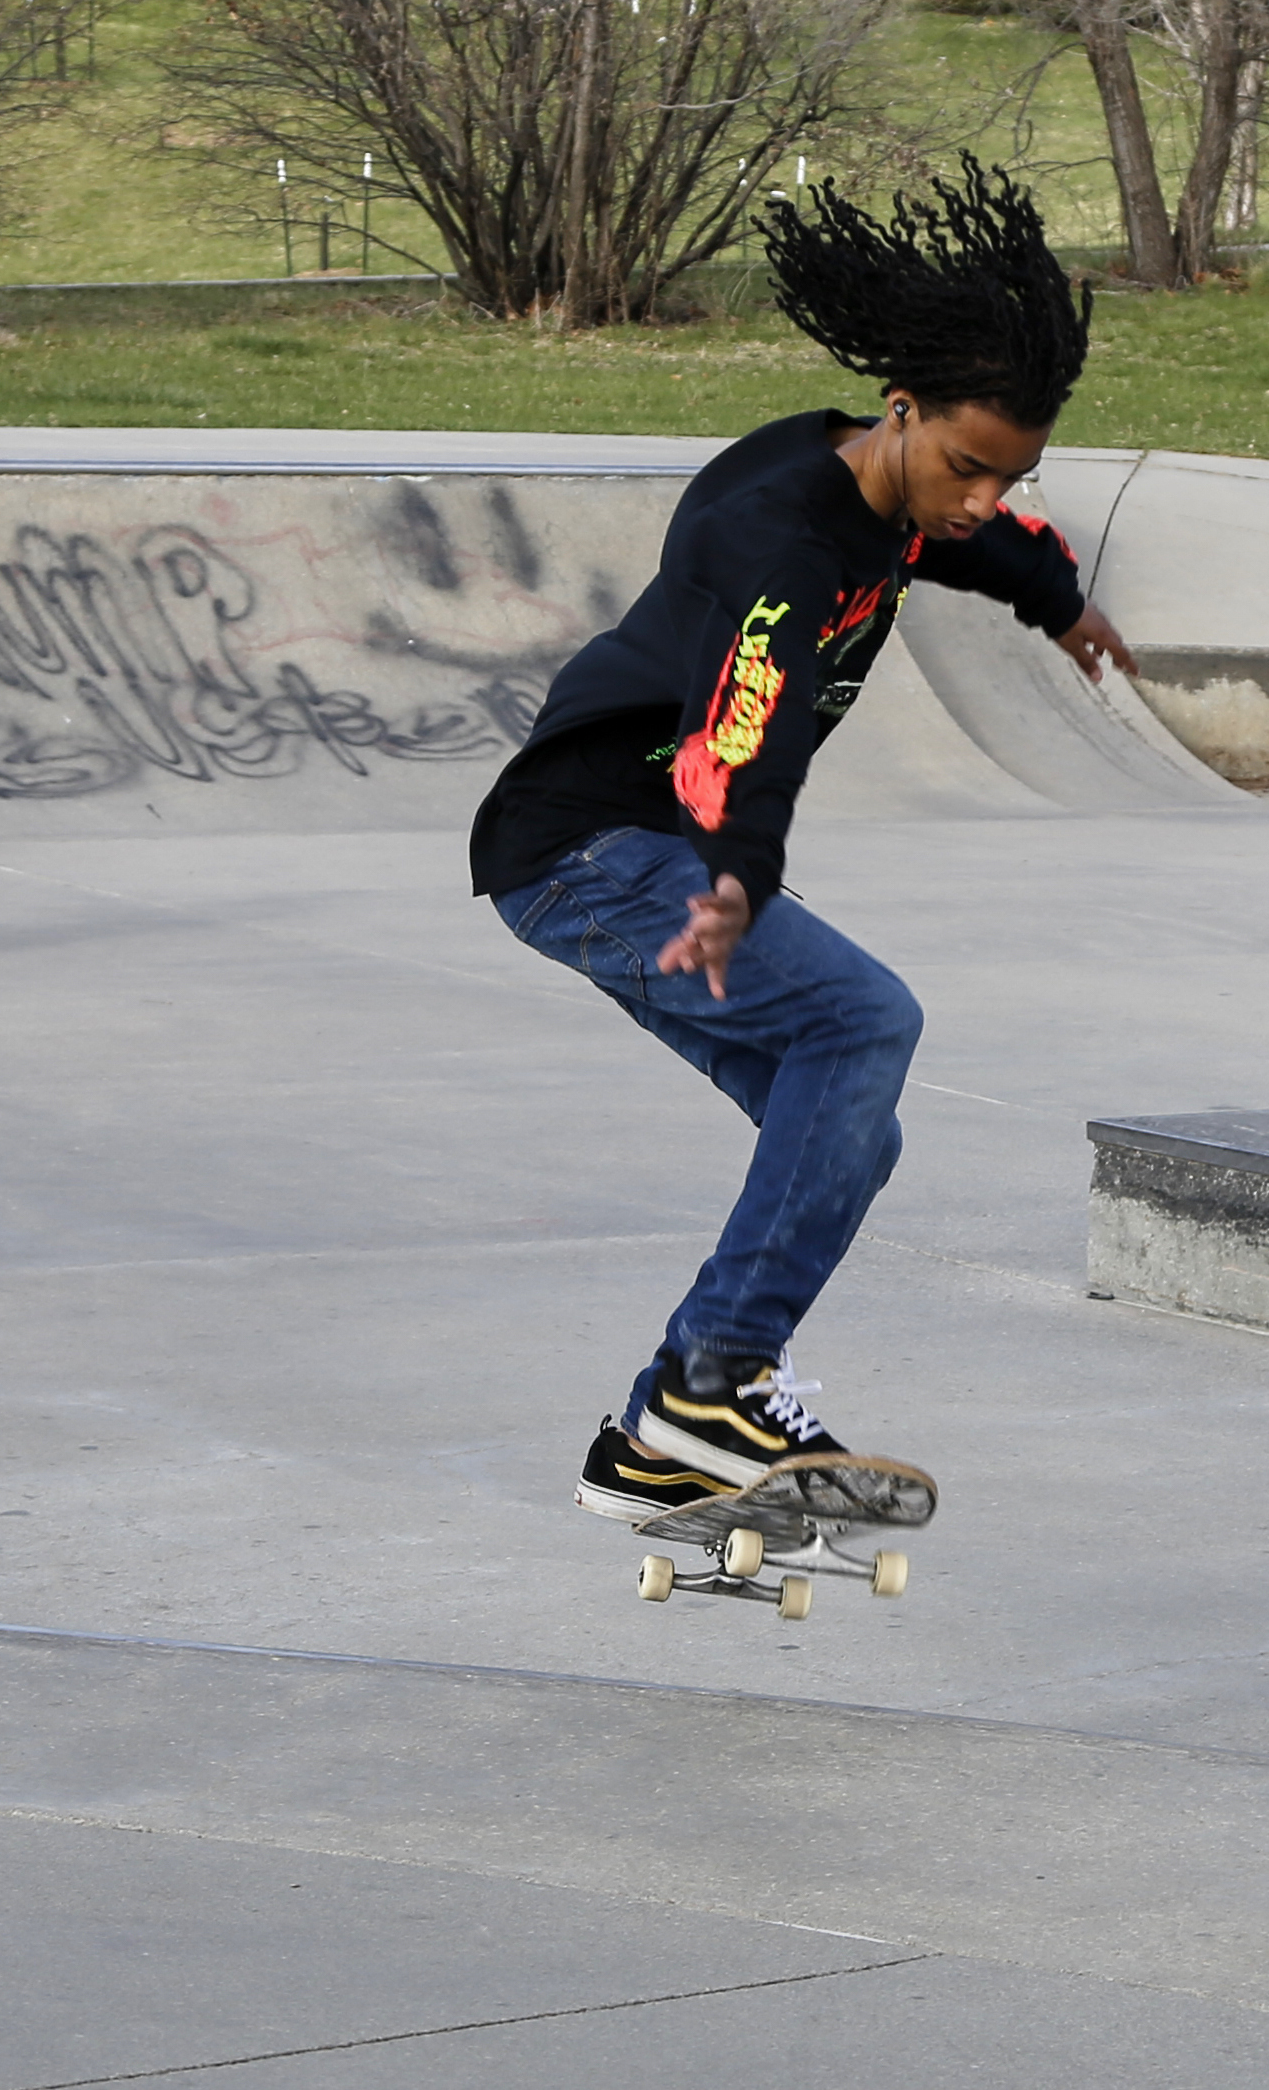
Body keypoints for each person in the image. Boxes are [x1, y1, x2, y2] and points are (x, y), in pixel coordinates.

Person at [470, 163, 1138, 1534]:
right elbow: (741, 733)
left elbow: (980, 541)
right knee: (864, 1016)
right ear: (903, 412)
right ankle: (714, 1383)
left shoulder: (888, 489)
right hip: (598, 844)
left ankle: (652, 1439)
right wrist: (739, 877)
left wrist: (1058, 602)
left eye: (1007, 472)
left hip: (617, 853)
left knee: (850, 1127)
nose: (975, 497)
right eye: (963, 463)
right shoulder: (777, 538)